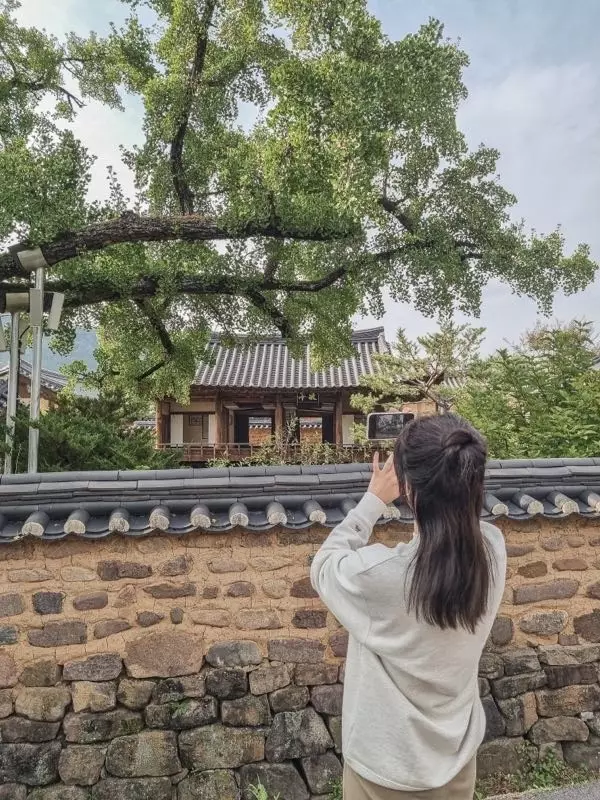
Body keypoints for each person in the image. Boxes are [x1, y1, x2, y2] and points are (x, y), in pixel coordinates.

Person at [310, 414, 507, 799]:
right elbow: (444, 539)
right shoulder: (493, 551)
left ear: (409, 490)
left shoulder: (379, 576)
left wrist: (372, 500)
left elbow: (323, 565)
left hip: (385, 773)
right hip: (456, 764)